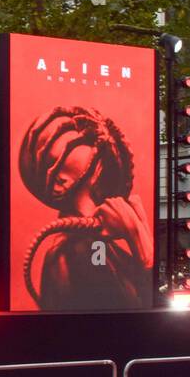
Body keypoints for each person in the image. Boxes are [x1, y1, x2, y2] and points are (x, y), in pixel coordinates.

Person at [18, 105, 152, 310]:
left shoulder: (100, 243)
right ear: (59, 180)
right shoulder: (74, 250)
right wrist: (142, 247)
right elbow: (122, 317)